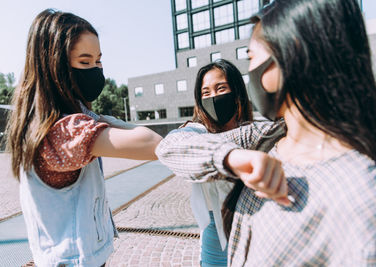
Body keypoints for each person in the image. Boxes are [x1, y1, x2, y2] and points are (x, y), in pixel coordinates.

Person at [156, 0, 376, 266]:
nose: (251, 70)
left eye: (252, 56)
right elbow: (169, 147)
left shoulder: (360, 195)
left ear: (291, 54)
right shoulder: (266, 139)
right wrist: (231, 158)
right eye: (206, 92)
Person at [5, 9, 162, 267]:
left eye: (99, 61)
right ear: (54, 67)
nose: (97, 71)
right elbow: (150, 144)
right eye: (85, 62)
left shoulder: (43, 120)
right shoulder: (62, 132)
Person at [182, 59, 252, 267]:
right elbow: (171, 145)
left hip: (252, 225)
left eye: (220, 88)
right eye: (206, 92)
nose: (213, 97)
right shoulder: (195, 132)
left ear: (236, 92)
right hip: (214, 231)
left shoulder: (253, 132)